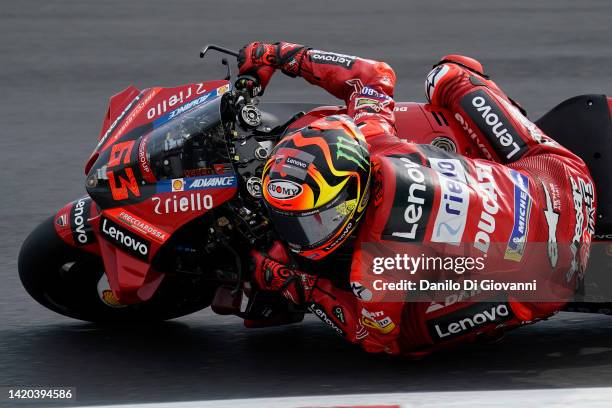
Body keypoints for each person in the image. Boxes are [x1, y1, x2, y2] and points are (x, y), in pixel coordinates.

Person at [237, 41, 597, 356]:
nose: (300, 235)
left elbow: (372, 337)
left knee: (405, 339)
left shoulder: (377, 268)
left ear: (353, 195)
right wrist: (283, 55)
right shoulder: (372, 135)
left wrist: (300, 285)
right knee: (447, 74)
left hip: (548, 278)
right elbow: (374, 75)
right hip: (558, 183)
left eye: (314, 219)